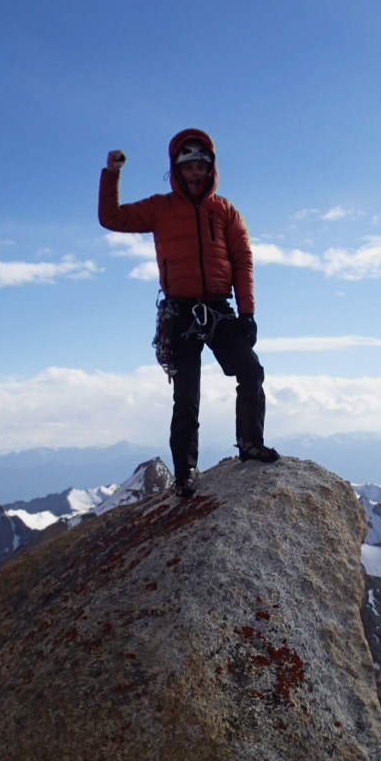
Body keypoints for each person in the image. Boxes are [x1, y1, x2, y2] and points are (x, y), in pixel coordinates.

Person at [101, 129, 276, 498]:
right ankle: (185, 474)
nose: (195, 172)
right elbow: (112, 218)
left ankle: (250, 444)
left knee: (250, 370)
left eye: (201, 164)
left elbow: (243, 261)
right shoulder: (160, 208)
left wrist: (247, 312)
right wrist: (112, 174)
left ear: (210, 167)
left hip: (218, 309)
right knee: (187, 396)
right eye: (189, 166)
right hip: (180, 314)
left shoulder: (225, 211)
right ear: (177, 170)